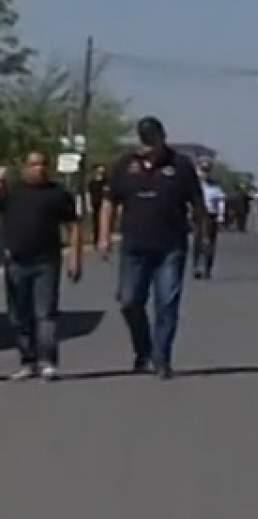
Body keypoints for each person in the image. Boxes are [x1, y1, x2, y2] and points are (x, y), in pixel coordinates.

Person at [99, 116, 207, 380]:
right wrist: (103, 236)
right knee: (129, 301)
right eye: (144, 141)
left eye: (153, 141)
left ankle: (161, 358)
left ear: (162, 138)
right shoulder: (125, 165)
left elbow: (197, 204)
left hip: (170, 246)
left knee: (166, 304)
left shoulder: (180, 165)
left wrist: (202, 236)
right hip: (134, 246)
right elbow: (109, 202)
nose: (148, 146)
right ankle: (143, 348)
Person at [0, 152, 82, 381]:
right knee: (19, 315)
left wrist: (75, 258)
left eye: (44, 164)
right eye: (34, 164)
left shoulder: (57, 194)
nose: (40, 169)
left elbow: (74, 225)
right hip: (16, 261)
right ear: (24, 168)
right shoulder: (13, 194)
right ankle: (28, 361)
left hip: (46, 262)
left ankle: (47, 361)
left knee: (44, 313)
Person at [192, 157, 225, 279]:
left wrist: (221, 216)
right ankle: (196, 266)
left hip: (212, 216)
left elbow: (221, 202)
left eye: (206, 170)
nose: (204, 173)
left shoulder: (215, 186)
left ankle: (207, 268)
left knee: (210, 244)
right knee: (198, 242)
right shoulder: (193, 185)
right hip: (198, 216)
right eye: (202, 170)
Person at [86, 164, 108, 246]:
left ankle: (103, 239)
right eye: (99, 171)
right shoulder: (92, 183)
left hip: (104, 205)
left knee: (103, 222)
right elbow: (88, 194)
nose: (101, 173)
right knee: (95, 223)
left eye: (102, 171)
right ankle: (96, 240)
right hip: (94, 204)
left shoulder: (106, 182)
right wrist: (89, 205)